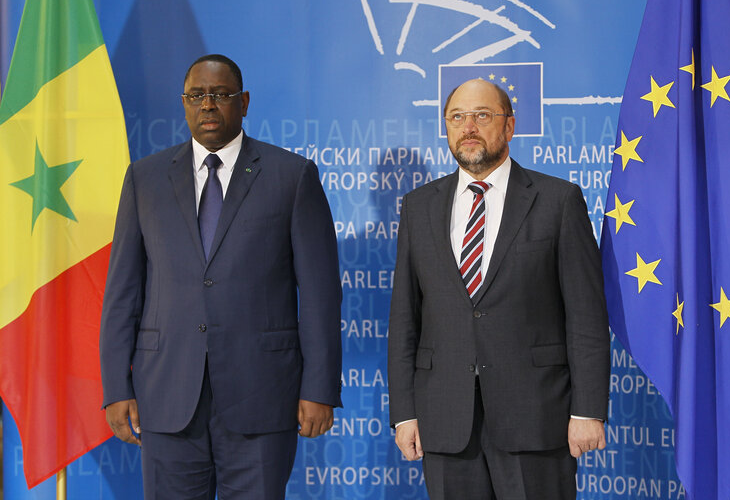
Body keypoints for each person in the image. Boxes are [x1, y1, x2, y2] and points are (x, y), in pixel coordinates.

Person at [100, 54, 342, 499]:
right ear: (184, 103)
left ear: (244, 102)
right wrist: (117, 386)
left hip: (263, 395)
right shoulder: (145, 179)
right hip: (167, 394)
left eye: (220, 94)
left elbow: (322, 295)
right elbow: (122, 293)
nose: (208, 105)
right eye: (197, 96)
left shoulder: (292, 177)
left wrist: (320, 387)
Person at [388, 78, 610, 499]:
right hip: (445, 421)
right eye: (457, 117)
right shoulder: (419, 206)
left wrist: (588, 410)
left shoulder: (558, 201)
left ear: (509, 127)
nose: (468, 127)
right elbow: (404, 319)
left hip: (536, 418)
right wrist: (404, 414)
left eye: (482, 116)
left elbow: (586, 318)